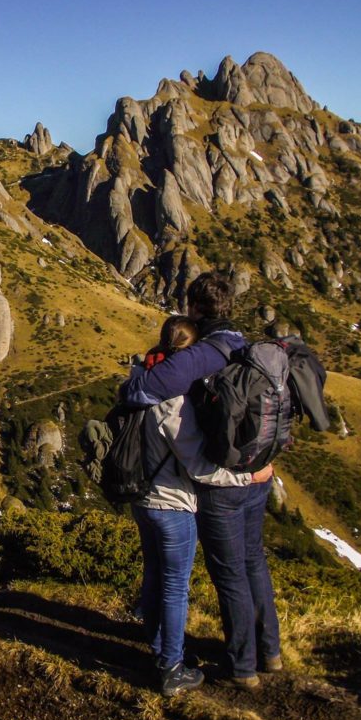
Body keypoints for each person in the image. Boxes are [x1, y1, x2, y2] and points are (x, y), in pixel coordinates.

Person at [126, 272, 282, 688]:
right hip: (259, 473)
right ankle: (271, 652)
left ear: (195, 307)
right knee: (254, 562)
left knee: (228, 574)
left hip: (225, 483)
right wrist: (256, 469)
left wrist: (136, 375)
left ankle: (241, 667)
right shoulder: (243, 345)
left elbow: (147, 391)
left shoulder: (202, 354)